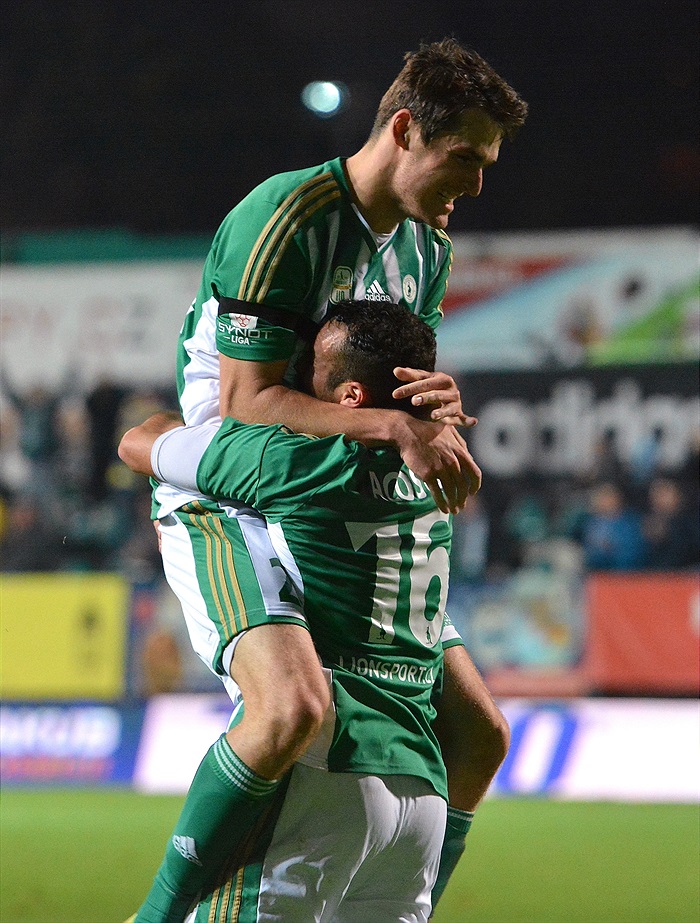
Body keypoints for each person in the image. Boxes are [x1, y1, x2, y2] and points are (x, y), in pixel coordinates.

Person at [125, 38, 527, 922]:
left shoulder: (427, 250)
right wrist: (386, 421)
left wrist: (433, 406)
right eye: (466, 157)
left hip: (335, 489)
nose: (478, 183)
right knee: (293, 705)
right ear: (404, 128)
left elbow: (389, 384)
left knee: (480, 733)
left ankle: (396, 903)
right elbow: (247, 399)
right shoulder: (289, 215)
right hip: (230, 486)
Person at [123, 301, 498, 922]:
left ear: (351, 396)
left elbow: (141, 442)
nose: (297, 386)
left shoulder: (301, 461)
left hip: (325, 775)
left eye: (313, 376)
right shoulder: (436, 474)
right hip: (421, 800)